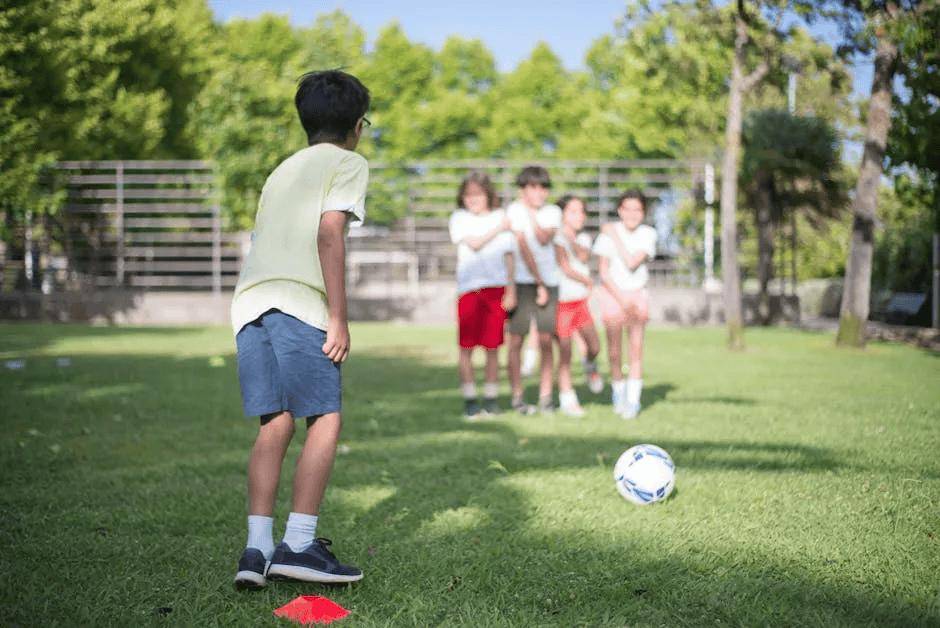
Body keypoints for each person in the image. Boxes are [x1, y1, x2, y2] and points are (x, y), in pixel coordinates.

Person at [230, 70, 370, 588]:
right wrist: (338, 315)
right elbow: (329, 233)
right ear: (357, 126)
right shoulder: (348, 162)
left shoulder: (281, 170)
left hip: (250, 305)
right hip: (297, 302)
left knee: (276, 423)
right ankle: (300, 544)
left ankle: (257, 549)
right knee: (325, 417)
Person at [448, 171, 517, 419]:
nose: (472, 199)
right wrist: (499, 228)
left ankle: (490, 398)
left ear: (488, 194)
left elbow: (510, 257)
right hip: (469, 290)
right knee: (466, 347)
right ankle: (469, 400)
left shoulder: (500, 216)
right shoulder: (459, 218)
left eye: (477, 194)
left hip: (496, 289)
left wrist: (511, 289)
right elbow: (474, 243)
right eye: (468, 195)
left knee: (493, 347)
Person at [593, 190, 657, 419]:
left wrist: (615, 237)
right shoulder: (605, 236)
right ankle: (618, 392)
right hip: (613, 295)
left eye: (637, 209)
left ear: (643, 212)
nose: (632, 214)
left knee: (636, 349)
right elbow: (603, 272)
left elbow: (631, 262)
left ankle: (633, 400)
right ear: (620, 210)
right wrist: (621, 299)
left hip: (637, 294)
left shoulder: (648, 234)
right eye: (627, 208)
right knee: (614, 351)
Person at [505, 166, 562, 414]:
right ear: (523, 189)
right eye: (532, 187)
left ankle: (546, 396)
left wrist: (529, 212)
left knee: (546, 340)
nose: (538, 192)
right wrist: (537, 282)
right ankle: (517, 396)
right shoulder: (512, 211)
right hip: (522, 282)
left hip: (549, 282)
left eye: (542, 187)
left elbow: (541, 238)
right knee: (516, 340)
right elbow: (521, 246)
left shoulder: (552, 212)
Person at [553, 195, 604, 417]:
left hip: (580, 302)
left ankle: (590, 365)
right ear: (562, 214)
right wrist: (586, 280)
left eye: (581, 211)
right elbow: (563, 266)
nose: (579, 216)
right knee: (565, 352)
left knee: (594, 346)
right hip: (561, 303)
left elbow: (582, 256)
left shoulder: (583, 237)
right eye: (573, 211)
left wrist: (569, 237)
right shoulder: (554, 237)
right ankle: (567, 398)